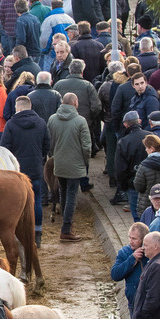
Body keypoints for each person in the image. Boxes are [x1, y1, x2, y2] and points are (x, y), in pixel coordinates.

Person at [49, 93, 92, 241]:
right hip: (75, 164)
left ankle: (66, 226)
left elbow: (50, 142)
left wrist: (53, 156)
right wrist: (85, 162)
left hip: (59, 163)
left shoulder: (53, 119)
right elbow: (86, 146)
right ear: (75, 103)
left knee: (63, 193)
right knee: (72, 196)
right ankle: (66, 229)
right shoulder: (80, 121)